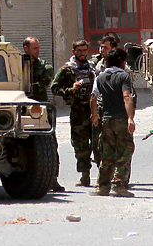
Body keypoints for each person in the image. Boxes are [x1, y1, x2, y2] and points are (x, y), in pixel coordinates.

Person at [51, 39, 98, 187]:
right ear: (74, 52)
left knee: (99, 142)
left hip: (94, 109)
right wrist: (70, 90)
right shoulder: (66, 70)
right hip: (78, 111)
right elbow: (54, 88)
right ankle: (85, 175)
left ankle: (104, 175)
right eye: (79, 51)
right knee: (80, 144)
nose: (83, 53)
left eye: (85, 50)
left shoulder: (93, 68)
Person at [90, 48, 136, 197]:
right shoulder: (124, 76)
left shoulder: (100, 77)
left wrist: (95, 115)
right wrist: (130, 118)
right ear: (122, 62)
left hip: (106, 119)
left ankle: (102, 186)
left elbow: (93, 97)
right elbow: (127, 97)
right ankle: (118, 185)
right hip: (121, 119)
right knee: (124, 151)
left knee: (107, 153)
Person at [22, 37, 64, 193]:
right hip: (20, 109)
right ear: (26, 48)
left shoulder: (45, 66)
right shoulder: (16, 65)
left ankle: (52, 179)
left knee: (49, 144)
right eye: (34, 48)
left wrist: (24, 87)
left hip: (40, 109)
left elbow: (42, 86)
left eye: (38, 48)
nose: (37, 51)